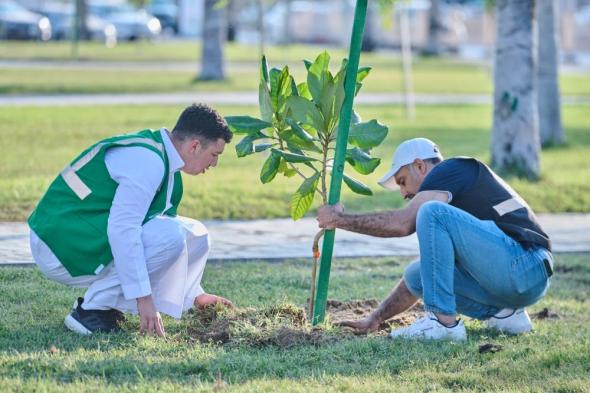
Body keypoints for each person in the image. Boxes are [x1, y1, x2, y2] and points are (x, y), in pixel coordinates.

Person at [28, 103, 234, 337]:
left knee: (196, 232)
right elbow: (123, 231)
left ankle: (116, 304)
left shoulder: (163, 157)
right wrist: (143, 299)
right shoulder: (149, 161)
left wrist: (195, 296)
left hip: (78, 234)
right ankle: (90, 311)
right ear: (195, 146)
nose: (215, 163)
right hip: (59, 244)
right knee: (169, 237)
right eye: (215, 155)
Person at [317, 138, 553, 341]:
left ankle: (443, 324)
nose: (403, 193)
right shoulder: (454, 187)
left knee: (430, 212)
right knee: (416, 275)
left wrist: (339, 219)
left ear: (419, 166)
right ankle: (506, 315)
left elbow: (402, 224)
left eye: (402, 181)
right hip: (520, 280)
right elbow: (429, 273)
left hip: (524, 263)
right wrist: (375, 318)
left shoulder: (449, 169)